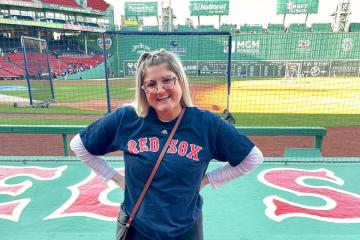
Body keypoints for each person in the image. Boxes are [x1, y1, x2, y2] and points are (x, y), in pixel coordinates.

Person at [70, 50, 263, 240]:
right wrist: (117, 179)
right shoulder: (127, 118)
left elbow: (252, 158)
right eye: (151, 84)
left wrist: (207, 180)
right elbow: (79, 145)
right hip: (138, 227)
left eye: (167, 80)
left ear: (180, 80)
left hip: (185, 229)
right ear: (143, 90)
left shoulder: (206, 124)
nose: (160, 89)